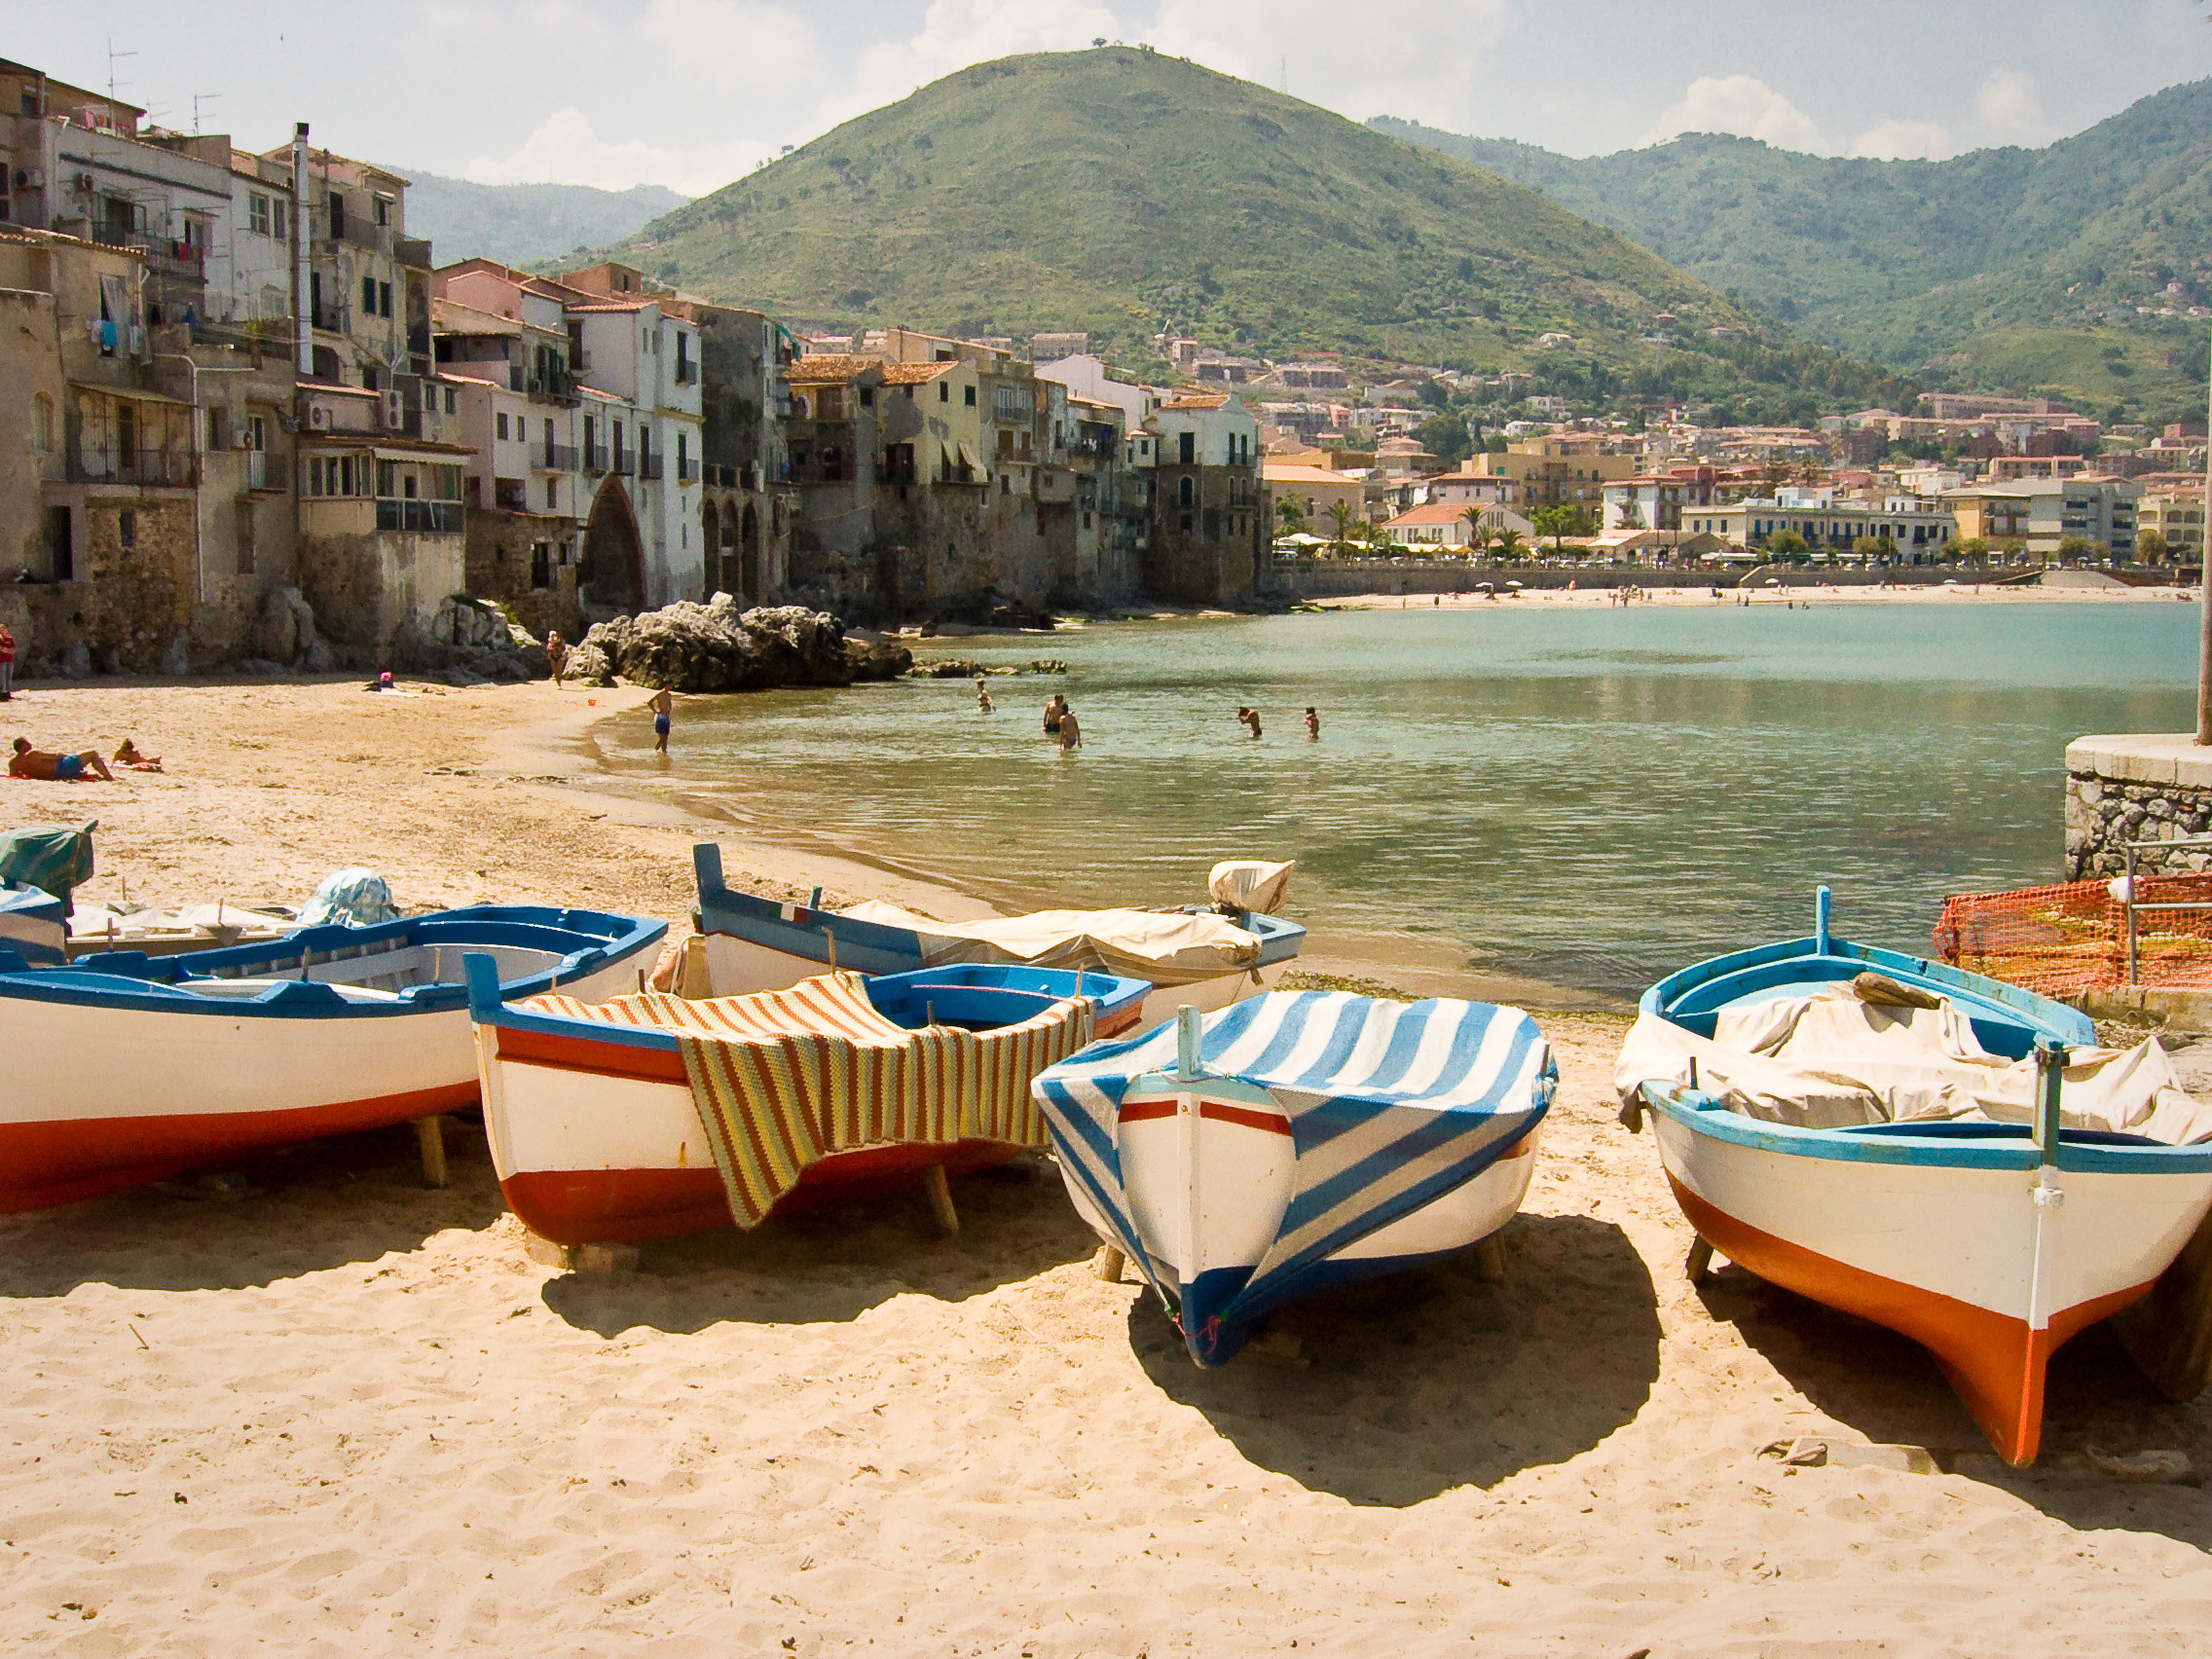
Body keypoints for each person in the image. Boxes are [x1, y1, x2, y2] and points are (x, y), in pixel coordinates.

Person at [10, 737, 114, 781]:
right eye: (27, 743)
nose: (30, 744)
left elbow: (14, 776)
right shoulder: (33, 754)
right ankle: (109, 777)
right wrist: (66, 755)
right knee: (92, 753)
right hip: (62, 768)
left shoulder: (13, 763)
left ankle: (95, 775)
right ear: (23, 746)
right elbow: (56, 756)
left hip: (53, 776)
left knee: (77, 755)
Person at [649, 687, 673, 755]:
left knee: (666, 737)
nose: (671, 687)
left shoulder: (669, 695)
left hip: (666, 716)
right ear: (666, 685)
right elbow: (650, 702)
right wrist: (655, 710)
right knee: (662, 737)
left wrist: (669, 709)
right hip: (660, 716)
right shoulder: (659, 694)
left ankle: (664, 753)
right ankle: (655, 750)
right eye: (670, 685)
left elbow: (669, 704)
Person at [0, 621, 15, 701]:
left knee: (9, 676)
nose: (4, 630)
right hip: (1, 660)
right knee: (1, 677)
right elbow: (2, 649)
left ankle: (8, 692)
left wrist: (8, 650)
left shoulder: (10, 638)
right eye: (2, 628)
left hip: (9, 660)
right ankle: (2, 692)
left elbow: (14, 648)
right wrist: (9, 650)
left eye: (5, 628)